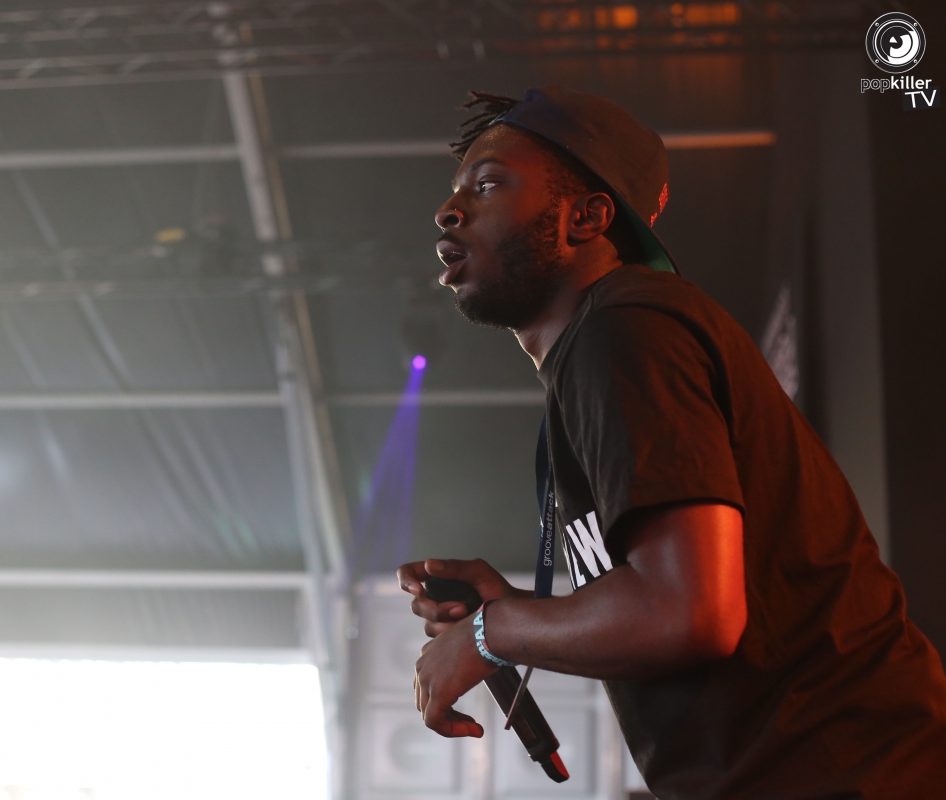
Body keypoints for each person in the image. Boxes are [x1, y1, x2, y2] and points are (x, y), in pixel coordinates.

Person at [397, 86, 946, 799]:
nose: (449, 209)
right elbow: (664, 609)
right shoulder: (605, 344)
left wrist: (489, 634)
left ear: (587, 216)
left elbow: (690, 614)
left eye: (489, 183)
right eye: (455, 191)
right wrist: (512, 611)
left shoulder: (621, 331)